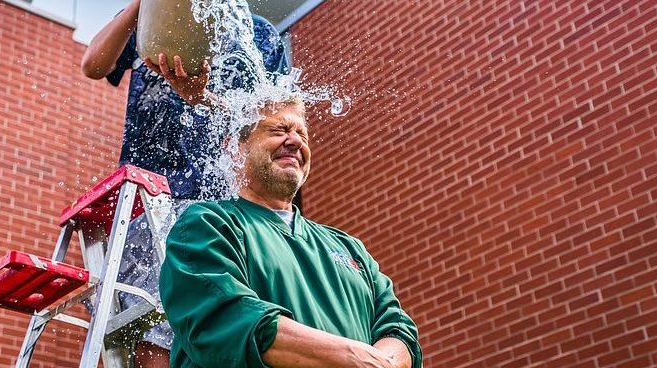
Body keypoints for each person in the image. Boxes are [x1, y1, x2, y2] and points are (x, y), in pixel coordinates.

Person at [80, 1, 288, 366]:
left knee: (228, 319)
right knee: (154, 319)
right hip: (151, 197)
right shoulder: (155, 15)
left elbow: (272, 121)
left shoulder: (260, 36)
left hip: (226, 199)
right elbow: (94, 64)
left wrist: (202, 100)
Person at [159, 97, 423, 368]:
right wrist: (350, 358)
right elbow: (225, 320)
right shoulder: (208, 225)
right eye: (278, 130)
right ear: (235, 151)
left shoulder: (349, 247)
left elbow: (398, 329)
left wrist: (384, 363)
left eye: (302, 135)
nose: (296, 141)